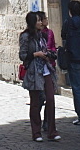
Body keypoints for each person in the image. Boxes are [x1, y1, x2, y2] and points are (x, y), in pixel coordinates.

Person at [20, 11, 61, 142]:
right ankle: (36, 132)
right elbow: (23, 55)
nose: (41, 22)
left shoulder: (43, 35)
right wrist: (36, 54)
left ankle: (51, 131)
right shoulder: (25, 36)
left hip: (46, 70)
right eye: (38, 20)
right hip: (34, 72)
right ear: (33, 22)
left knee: (50, 99)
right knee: (35, 103)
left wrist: (48, 54)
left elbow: (47, 48)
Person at [61, 0, 80, 126]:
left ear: (70, 11)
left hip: (74, 58)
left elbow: (63, 36)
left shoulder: (68, 23)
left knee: (77, 87)